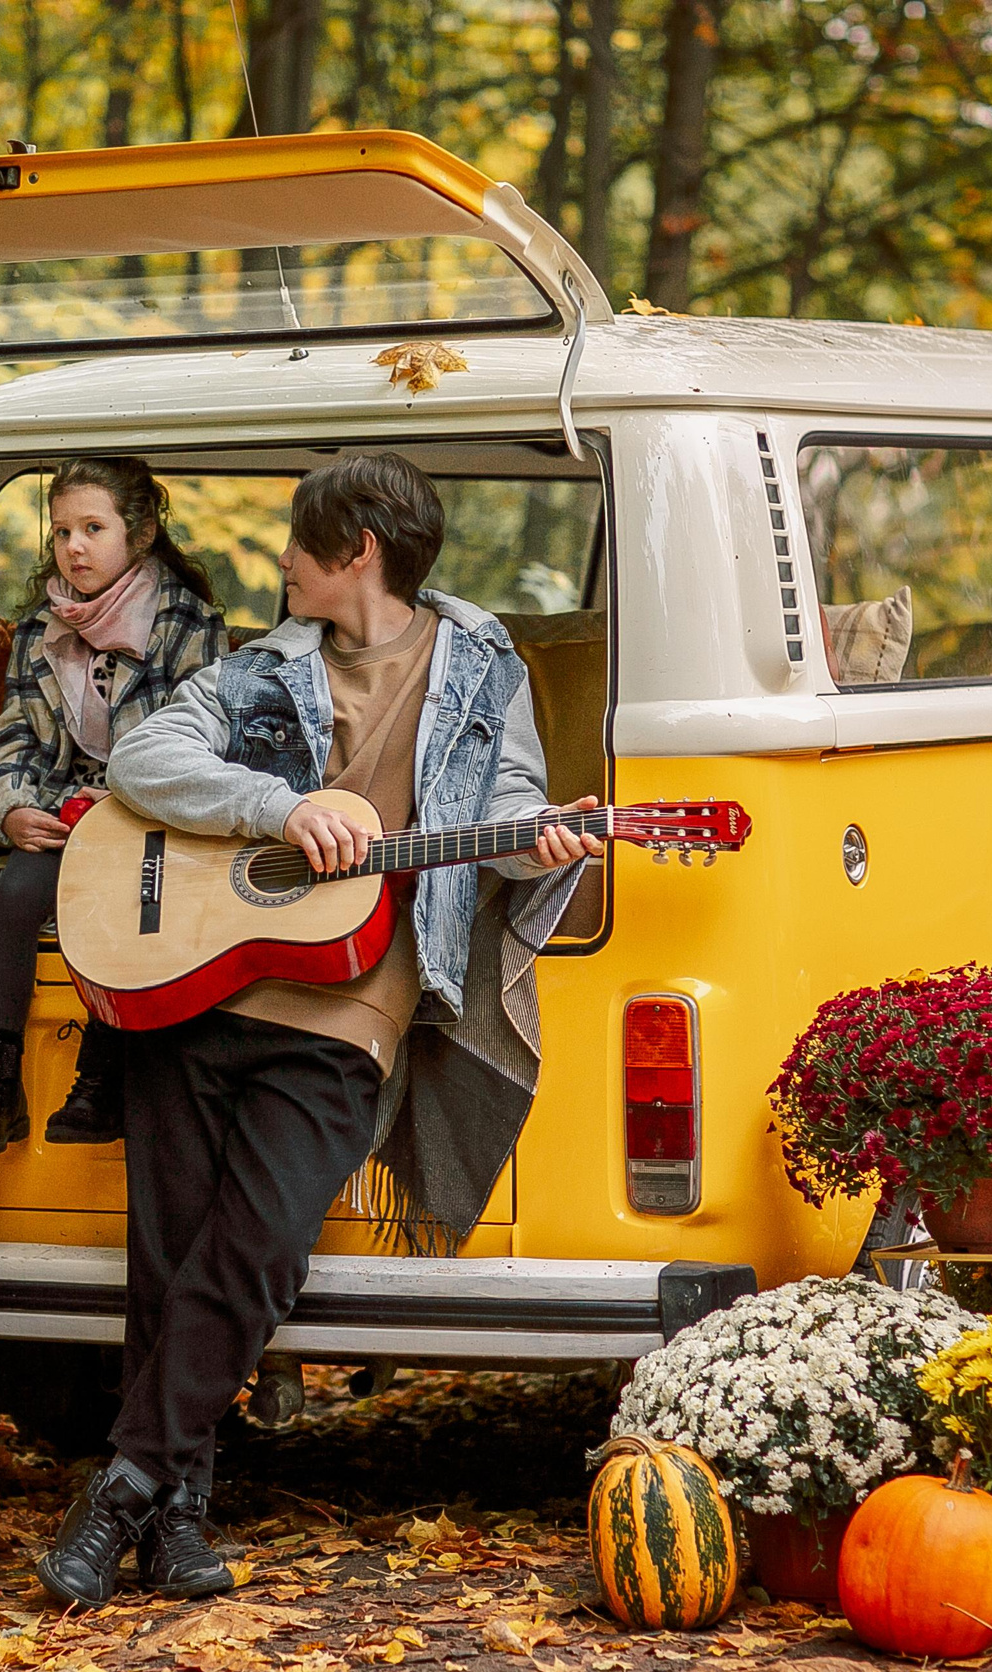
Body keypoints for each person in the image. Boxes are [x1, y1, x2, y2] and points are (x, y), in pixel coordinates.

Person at [35, 453, 604, 1606]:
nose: (284, 561)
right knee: (169, 1260)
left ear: (359, 553)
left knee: (255, 1251)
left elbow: (499, 810)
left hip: (353, 1002)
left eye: (301, 543)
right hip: (198, 981)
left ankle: (121, 1487)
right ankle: (173, 1519)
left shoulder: (481, 664)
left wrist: (538, 839)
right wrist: (279, 809)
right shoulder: (267, 664)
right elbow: (141, 758)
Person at [0, 458, 227, 1154]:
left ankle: (101, 1077)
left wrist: (124, 801)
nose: (74, 547)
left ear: (141, 532)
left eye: (93, 529)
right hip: (63, 810)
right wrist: (13, 808)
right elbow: (15, 734)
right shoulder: (41, 627)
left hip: (153, 815)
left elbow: (202, 743)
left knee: (126, 890)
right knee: (17, 891)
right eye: (63, 531)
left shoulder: (187, 624)